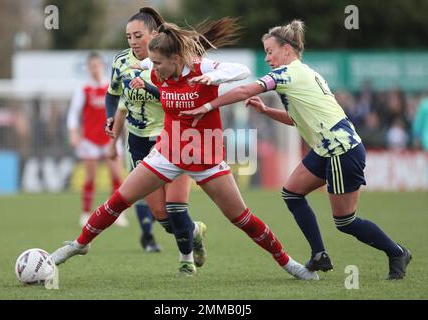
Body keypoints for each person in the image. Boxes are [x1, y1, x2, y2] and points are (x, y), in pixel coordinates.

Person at [51, 17, 318, 280]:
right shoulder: (155, 67)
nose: (152, 69)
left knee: (242, 219)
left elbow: (241, 71)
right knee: (120, 200)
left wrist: (212, 77)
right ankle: (80, 244)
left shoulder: (201, 68)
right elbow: (137, 65)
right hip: (168, 152)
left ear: (176, 60)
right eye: (151, 63)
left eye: (157, 63)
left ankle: (288, 263)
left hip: (207, 158)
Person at [181, 20, 412, 280]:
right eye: (265, 52)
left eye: (270, 51)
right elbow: (296, 119)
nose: (267, 58)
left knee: (345, 222)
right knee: (292, 193)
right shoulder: (306, 73)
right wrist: (267, 111)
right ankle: (319, 254)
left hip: (340, 150)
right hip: (326, 149)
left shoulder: (287, 74)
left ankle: (397, 252)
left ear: (287, 50)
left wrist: (208, 106)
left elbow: (245, 88)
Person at [105, 8, 208, 264]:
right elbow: (113, 94)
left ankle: (186, 262)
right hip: (138, 141)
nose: (133, 41)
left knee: (175, 208)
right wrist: (110, 118)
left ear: (154, 34)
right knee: (162, 216)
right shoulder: (120, 61)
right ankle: (194, 231)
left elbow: (177, 98)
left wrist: (150, 88)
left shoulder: (171, 61)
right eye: (128, 36)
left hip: (170, 138)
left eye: (138, 35)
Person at [66, 52, 128, 228]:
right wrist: (73, 132)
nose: (95, 69)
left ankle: (119, 214)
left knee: (117, 175)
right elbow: (73, 113)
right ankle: (86, 213)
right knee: (90, 176)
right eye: (91, 66)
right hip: (90, 140)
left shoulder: (111, 86)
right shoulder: (83, 88)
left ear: (102, 66)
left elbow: (120, 111)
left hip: (110, 139)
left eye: (97, 65)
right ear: (88, 68)